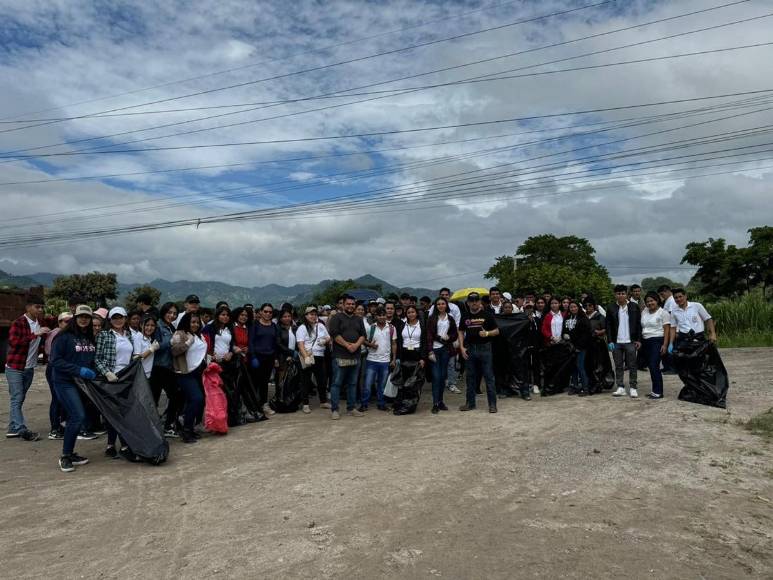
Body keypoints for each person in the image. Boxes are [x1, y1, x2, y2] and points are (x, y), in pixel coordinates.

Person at [49, 305, 97, 472]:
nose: (84, 319)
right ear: (75, 318)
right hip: (64, 382)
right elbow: (55, 361)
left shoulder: (90, 338)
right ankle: (65, 456)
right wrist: (79, 370)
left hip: (81, 383)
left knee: (75, 417)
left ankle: (70, 453)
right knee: (77, 415)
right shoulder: (64, 337)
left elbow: (91, 360)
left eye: (87, 317)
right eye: (80, 316)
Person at [95, 306, 138, 459]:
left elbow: (132, 356)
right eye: (115, 318)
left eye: (121, 317)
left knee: (124, 412)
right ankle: (112, 444)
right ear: (110, 320)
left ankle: (123, 444)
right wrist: (106, 372)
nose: (118, 320)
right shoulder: (104, 335)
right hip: (111, 378)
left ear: (125, 319)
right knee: (112, 413)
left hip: (126, 378)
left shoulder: (129, 336)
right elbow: (97, 358)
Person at [5, 294, 49, 441]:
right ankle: (21, 429)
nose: (40, 310)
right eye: (37, 307)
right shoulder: (18, 323)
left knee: (19, 398)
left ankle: (12, 428)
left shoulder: (40, 322)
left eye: (42, 307)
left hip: (29, 368)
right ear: (28, 307)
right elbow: (14, 343)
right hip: (15, 367)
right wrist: (34, 334)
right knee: (17, 398)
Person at [458, 292, 499, 413]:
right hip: (470, 349)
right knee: (470, 378)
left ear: (480, 302)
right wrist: (461, 347)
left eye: (476, 300)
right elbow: (460, 331)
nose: (474, 302)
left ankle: (492, 405)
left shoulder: (487, 315)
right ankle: (470, 403)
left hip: (485, 348)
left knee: (489, 377)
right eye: (472, 300)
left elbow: (497, 331)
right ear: (468, 302)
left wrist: (487, 333)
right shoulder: (465, 316)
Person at [327, 294, 366, 419]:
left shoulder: (358, 319)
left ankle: (351, 408)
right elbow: (334, 334)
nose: (350, 306)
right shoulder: (336, 318)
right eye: (348, 304)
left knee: (353, 383)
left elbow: (363, 335)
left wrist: (356, 345)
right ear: (343, 305)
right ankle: (335, 410)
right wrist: (347, 345)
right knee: (336, 384)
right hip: (340, 356)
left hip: (356, 356)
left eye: (352, 304)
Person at [171, 312, 207, 443]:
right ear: (186, 322)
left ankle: (189, 427)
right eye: (193, 322)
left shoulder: (199, 335)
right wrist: (188, 343)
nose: (195, 324)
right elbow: (174, 350)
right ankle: (186, 430)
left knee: (199, 401)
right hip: (184, 373)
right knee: (197, 399)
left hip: (198, 373)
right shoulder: (180, 334)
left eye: (197, 322)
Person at [606, 285, 642, 398]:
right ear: (615, 295)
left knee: (632, 365)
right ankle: (620, 387)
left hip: (630, 341)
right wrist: (610, 341)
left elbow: (638, 325)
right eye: (618, 294)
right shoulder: (611, 308)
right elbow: (608, 326)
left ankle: (633, 387)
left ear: (627, 294)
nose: (620, 295)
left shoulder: (634, 306)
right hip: (616, 342)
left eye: (622, 293)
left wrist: (638, 340)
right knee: (618, 365)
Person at [296, 306, 332, 414]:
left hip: (320, 356)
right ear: (306, 316)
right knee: (305, 381)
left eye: (315, 314)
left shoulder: (320, 326)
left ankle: (323, 401)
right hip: (308, 356)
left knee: (322, 379)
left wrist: (324, 341)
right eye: (311, 314)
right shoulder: (302, 328)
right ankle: (305, 404)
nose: (313, 316)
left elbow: (329, 338)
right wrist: (306, 356)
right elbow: (300, 344)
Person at [152, 302, 180, 437]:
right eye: (169, 312)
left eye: (174, 313)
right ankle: (153, 428)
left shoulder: (171, 327)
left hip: (169, 367)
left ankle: (168, 425)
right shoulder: (157, 326)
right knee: (154, 399)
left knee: (175, 396)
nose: (172, 315)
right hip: (157, 367)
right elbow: (156, 345)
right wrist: (171, 341)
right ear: (163, 312)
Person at [426, 297, 458, 414]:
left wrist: (450, 337)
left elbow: (454, 333)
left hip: (445, 350)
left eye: (442, 304)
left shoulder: (450, 318)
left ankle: (440, 401)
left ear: (446, 305)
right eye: (438, 304)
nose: (440, 306)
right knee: (436, 377)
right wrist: (430, 351)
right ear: (436, 306)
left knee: (443, 376)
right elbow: (429, 335)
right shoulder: (431, 318)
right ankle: (435, 403)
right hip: (434, 350)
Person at [362, 306, 397, 412]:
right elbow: (363, 340)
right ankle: (364, 404)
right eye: (379, 315)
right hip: (371, 360)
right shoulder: (371, 327)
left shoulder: (391, 328)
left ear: (386, 316)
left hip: (385, 360)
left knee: (382, 385)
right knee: (368, 384)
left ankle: (381, 403)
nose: (382, 317)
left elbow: (394, 343)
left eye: (383, 315)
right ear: (375, 316)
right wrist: (370, 345)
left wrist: (394, 359)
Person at [45, 312, 72, 440]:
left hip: (66, 368)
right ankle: (55, 429)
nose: (69, 323)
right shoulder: (56, 334)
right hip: (55, 368)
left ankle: (62, 426)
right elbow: (53, 355)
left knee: (64, 399)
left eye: (71, 321)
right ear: (60, 322)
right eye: (66, 321)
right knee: (56, 398)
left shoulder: (69, 334)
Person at [430, 288, 462, 394]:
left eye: (446, 294)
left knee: (451, 363)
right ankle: (440, 383)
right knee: (439, 365)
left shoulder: (455, 308)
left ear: (449, 296)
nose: (444, 296)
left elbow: (457, 324)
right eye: (442, 294)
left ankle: (452, 383)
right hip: (436, 343)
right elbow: (430, 326)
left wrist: (456, 338)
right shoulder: (433, 308)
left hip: (450, 340)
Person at [249, 303, 279, 417]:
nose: (268, 314)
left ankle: (264, 404)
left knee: (265, 382)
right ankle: (254, 406)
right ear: (261, 312)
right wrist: (253, 357)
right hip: (257, 357)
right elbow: (251, 342)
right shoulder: (255, 325)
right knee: (255, 382)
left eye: (270, 312)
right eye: (265, 311)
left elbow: (275, 343)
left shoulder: (274, 326)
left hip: (269, 357)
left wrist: (275, 357)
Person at [641, 291, 671, 400]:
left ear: (657, 301)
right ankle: (655, 390)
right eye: (647, 301)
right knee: (651, 366)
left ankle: (658, 392)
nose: (650, 303)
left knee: (654, 366)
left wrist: (665, 345)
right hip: (646, 341)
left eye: (652, 300)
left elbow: (667, 330)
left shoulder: (663, 313)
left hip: (657, 341)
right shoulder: (644, 311)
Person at [562, 301, 591, 396]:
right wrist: (564, 335)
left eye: (575, 307)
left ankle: (585, 388)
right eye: (571, 307)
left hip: (580, 347)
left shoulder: (583, 318)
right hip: (570, 347)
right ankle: (575, 386)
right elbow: (564, 330)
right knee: (573, 367)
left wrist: (579, 346)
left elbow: (586, 334)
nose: (573, 309)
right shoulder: (566, 318)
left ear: (578, 307)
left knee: (580, 367)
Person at [132, 316, 160, 381]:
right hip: (140, 374)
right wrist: (151, 349)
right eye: (147, 325)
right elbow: (137, 358)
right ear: (141, 325)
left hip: (147, 373)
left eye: (152, 325)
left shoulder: (149, 338)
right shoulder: (138, 337)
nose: (149, 328)